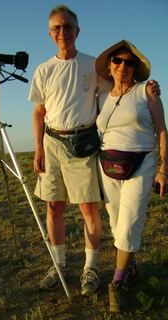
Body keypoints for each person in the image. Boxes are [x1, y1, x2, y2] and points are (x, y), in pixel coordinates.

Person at [28, 5, 160, 296]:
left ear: (78, 31)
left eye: (68, 26)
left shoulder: (93, 65)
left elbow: (121, 83)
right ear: (50, 34)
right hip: (52, 142)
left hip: (83, 142)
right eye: (56, 28)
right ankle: (59, 264)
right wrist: (38, 148)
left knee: (88, 207)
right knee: (54, 206)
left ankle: (90, 269)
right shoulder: (44, 69)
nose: (63, 32)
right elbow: (39, 112)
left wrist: (148, 88)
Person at [95, 40, 168, 312]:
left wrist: (163, 169)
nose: (123, 66)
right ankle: (131, 265)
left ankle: (118, 282)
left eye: (129, 62)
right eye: (118, 61)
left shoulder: (146, 92)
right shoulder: (102, 96)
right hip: (108, 164)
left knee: (128, 223)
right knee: (116, 222)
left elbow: (162, 130)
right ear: (110, 65)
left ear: (135, 68)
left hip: (142, 161)